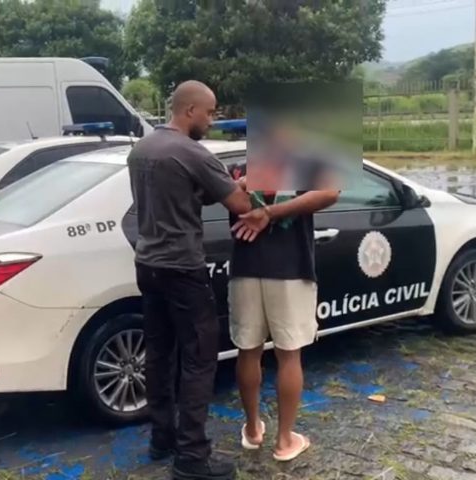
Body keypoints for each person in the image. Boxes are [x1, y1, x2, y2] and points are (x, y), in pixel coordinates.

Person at [127, 80, 269, 480]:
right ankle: (192, 456)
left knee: (159, 354)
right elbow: (241, 205)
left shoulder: (142, 149)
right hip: (182, 269)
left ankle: (162, 438)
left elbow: (185, 194)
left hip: (148, 265)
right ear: (189, 110)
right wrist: (249, 190)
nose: (212, 120)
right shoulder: (192, 152)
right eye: (209, 112)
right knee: (199, 359)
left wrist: (225, 185)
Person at [228, 123, 340, 461]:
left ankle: (252, 430)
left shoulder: (239, 169)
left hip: (245, 269)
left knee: (248, 351)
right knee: (289, 355)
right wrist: (272, 211)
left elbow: (224, 197)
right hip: (291, 271)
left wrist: (255, 200)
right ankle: (284, 440)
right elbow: (330, 192)